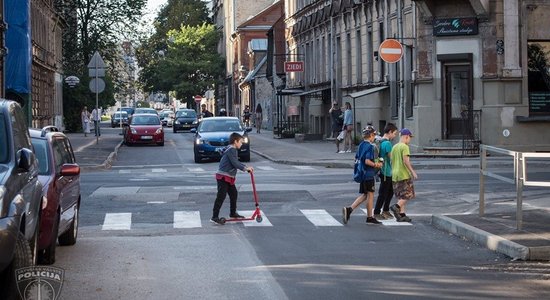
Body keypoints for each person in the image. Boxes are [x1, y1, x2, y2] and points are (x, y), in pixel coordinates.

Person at [342, 125, 383, 225]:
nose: (374, 137)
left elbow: (358, 159)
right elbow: (367, 161)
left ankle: (350, 209)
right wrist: (376, 164)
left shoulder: (361, 145)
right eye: (374, 135)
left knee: (365, 195)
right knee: (370, 195)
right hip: (368, 174)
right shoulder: (370, 146)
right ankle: (369, 217)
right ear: (371, 135)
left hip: (362, 173)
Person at [211, 132, 254, 224]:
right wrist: (246, 168)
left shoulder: (230, 148)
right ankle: (214, 217)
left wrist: (246, 167)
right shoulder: (232, 150)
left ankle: (233, 213)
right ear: (235, 141)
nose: (241, 144)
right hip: (223, 176)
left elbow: (235, 162)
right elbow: (235, 163)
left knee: (233, 194)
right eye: (241, 142)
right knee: (221, 196)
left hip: (227, 176)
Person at [389, 128, 418, 222]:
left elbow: (391, 160)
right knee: (409, 194)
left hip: (395, 174)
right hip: (403, 174)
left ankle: (401, 215)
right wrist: (412, 172)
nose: (410, 140)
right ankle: (396, 207)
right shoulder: (405, 147)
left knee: (401, 195)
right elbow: (406, 161)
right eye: (410, 138)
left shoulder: (394, 147)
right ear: (406, 136)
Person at [373, 123, 399, 220]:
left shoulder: (382, 142)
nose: (395, 136)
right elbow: (391, 158)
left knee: (389, 192)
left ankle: (385, 210)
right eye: (394, 133)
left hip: (385, 171)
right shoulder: (387, 143)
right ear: (390, 132)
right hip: (386, 171)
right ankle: (377, 212)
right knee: (384, 193)